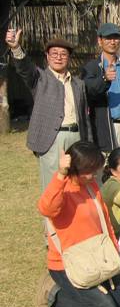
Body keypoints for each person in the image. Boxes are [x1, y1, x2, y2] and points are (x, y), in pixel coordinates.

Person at [37, 141, 120, 307]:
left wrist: (115, 251)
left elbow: (104, 221)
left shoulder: (91, 186)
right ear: (75, 169)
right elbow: (46, 208)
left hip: (96, 256)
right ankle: (54, 294)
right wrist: (61, 174)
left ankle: (94, 290)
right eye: (89, 171)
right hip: (69, 263)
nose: (94, 175)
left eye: (95, 169)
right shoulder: (62, 189)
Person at [6, 29, 91, 191]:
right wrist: (16, 47)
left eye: (63, 54)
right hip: (52, 138)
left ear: (69, 57)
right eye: (54, 53)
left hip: (77, 137)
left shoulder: (79, 84)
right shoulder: (40, 78)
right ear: (47, 56)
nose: (59, 57)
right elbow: (25, 68)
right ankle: (51, 218)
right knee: (54, 185)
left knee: (76, 184)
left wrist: (89, 144)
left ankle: (73, 216)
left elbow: (85, 118)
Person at [81, 23, 120, 152]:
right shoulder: (93, 67)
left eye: (116, 38)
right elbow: (88, 90)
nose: (113, 42)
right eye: (108, 38)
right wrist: (104, 79)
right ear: (100, 41)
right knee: (107, 166)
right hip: (107, 127)